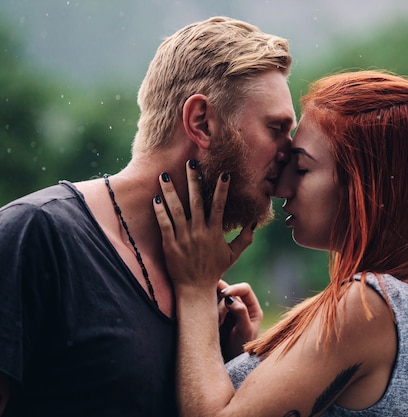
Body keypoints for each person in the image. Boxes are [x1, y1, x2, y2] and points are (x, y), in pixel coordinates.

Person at [0, 16, 296, 416]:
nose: (290, 154)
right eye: (277, 128)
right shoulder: (35, 236)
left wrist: (230, 363)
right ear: (201, 123)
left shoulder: (203, 289)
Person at [155, 70, 408, 417]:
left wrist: (195, 287)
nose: (282, 187)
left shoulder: (369, 303)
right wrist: (246, 357)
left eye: (301, 168)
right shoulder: (397, 303)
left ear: (366, 186)